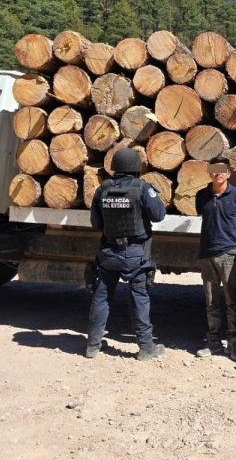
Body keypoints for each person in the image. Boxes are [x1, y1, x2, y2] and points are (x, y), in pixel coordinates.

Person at [86, 148, 167, 361]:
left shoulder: (102, 189)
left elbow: (96, 223)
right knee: (139, 297)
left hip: (108, 252)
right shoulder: (142, 188)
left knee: (101, 297)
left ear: (115, 167)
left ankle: (92, 346)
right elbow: (158, 215)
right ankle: (146, 348)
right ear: (135, 168)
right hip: (134, 254)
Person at [195, 156, 236, 360]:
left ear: (228, 173)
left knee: (232, 300)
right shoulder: (202, 196)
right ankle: (213, 341)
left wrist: (230, 242)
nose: (218, 173)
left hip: (228, 254)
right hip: (206, 253)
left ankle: (233, 341)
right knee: (211, 300)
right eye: (215, 169)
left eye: (222, 169)